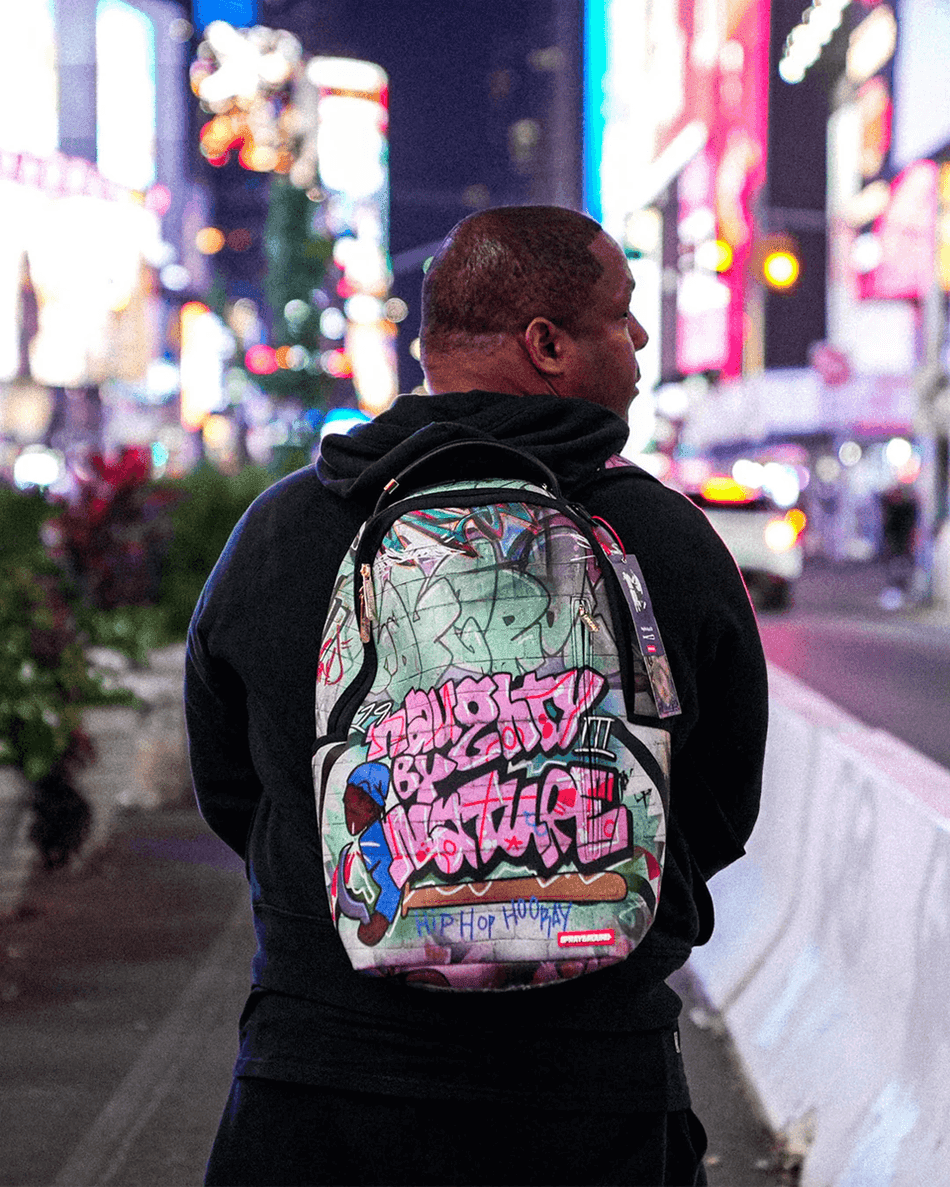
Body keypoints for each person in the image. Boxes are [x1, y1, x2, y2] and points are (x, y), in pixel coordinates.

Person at [185, 205, 768, 1187]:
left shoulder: (281, 531)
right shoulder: (666, 540)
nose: (638, 338)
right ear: (547, 344)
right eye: (620, 313)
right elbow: (715, 807)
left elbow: (233, 790)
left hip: (322, 1087)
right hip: (590, 1094)